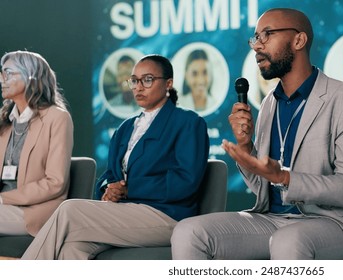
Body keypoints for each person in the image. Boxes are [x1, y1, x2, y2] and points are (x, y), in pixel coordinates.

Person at [171, 8, 343, 260]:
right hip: (271, 219)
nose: (257, 46)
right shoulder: (270, 103)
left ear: (299, 40)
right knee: (188, 231)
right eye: (255, 38)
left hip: (331, 223)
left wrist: (284, 177)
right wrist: (246, 146)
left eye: (267, 35)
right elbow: (260, 185)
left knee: (288, 240)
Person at [22, 54, 209, 259]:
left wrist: (129, 189)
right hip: (125, 213)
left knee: (69, 210)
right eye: (134, 80)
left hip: (167, 216)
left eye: (147, 80)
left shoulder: (188, 122)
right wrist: (107, 190)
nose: (138, 87)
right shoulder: (126, 127)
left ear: (169, 84)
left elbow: (185, 182)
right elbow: (110, 175)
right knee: (73, 247)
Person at [0, 51, 73, 237]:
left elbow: (55, 182)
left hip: (34, 210)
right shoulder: (5, 120)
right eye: (2, 73)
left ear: (31, 76)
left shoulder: (57, 117)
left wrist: (3, 198)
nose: (2, 79)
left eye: (8, 73)